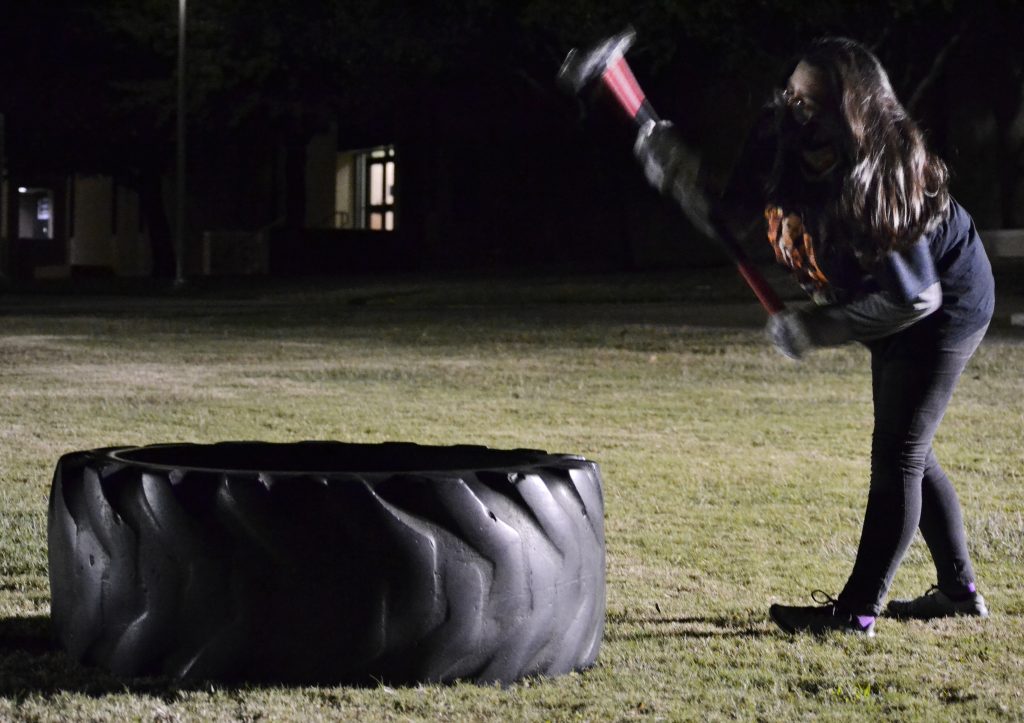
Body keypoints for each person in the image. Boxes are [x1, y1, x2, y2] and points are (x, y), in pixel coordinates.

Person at [635, 37, 995, 636]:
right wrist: (679, 172)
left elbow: (916, 298)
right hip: (878, 298)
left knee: (899, 453)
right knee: (910, 445)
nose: (792, 111)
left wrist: (817, 326)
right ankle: (958, 593)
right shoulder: (779, 133)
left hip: (943, 305)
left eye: (810, 104)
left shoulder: (886, 174)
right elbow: (733, 212)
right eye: (790, 96)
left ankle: (856, 613)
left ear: (851, 116)